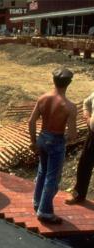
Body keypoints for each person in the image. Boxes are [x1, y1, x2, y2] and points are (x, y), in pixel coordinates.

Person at [28, 67, 77, 224]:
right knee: (52, 178)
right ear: (69, 83)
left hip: (42, 138)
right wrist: (68, 141)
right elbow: (72, 134)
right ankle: (45, 212)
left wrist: (33, 142)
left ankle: (37, 203)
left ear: (53, 81)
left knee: (42, 172)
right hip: (56, 140)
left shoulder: (43, 98)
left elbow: (31, 121)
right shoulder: (69, 106)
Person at [65, 93, 94, 204]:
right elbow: (86, 102)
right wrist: (87, 117)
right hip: (93, 136)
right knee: (84, 165)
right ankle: (78, 195)